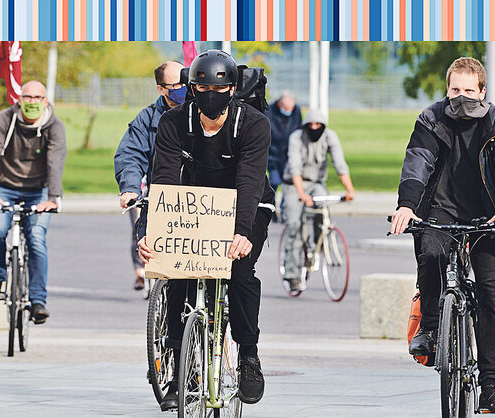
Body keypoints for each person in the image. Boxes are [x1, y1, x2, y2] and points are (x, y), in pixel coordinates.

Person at [389, 57, 495, 413]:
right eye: (455, 90)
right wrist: (407, 205)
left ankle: (491, 387)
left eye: (469, 90)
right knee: (433, 253)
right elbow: (417, 160)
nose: (461, 96)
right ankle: (432, 328)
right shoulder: (431, 118)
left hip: (492, 214)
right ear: (446, 89)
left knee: (490, 294)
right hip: (442, 207)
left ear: (483, 91)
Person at [136, 50, 273, 411]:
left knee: (240, 270)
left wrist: (242, 231)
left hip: (248, 203)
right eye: (201, 87)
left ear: (233, 89)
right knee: (177, 270)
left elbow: (249, 180)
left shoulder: (253, 123)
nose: (211, 94)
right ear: (191, 89)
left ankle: (248, 356)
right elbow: (163, 176)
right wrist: (150, 230)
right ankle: (181, 363)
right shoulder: (173, 122)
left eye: (220, 87)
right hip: (195, 205)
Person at [0, 80, 67, 325]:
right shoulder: (4, 120)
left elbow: (55, 162)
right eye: (27, 97)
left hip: (39, 191)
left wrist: (52, 198)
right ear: (19, 99)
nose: (32, 102)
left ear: (45, 101)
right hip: (4, 187)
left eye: (37, 97)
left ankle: (38, 301)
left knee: (37, 239)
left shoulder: (54, 127)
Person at [114, 60, 185, 291]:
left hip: (200, 200)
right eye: (176, 84)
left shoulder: (203, 111)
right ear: (161, 89)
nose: (183, 88)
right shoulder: (148, 118)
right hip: (163, 201)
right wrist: (130, 188)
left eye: (185, 81)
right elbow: (130, 155)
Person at [281, 109, 355, 292]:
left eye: (318, 125)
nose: (314, 128)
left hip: (316, 184)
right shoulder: (296, 137)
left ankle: (316, 244)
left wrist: (349, 190)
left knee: (323, 210)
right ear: (305, 126)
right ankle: (291, 274)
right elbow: (295, 166)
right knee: (294, 226)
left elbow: (339, 163)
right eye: (311, 125)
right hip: (293, 184)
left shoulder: (330, 137)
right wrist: (301, 194)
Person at [266, 90, 303, 218]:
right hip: (273, 154)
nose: (289, 110)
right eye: (286, 108)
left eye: (291, 108)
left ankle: (284, 209)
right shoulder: (269, 111)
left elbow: (298, 128)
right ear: (280, 104)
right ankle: (271, 207)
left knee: (288, 183)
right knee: (274, 181)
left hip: (289, 154)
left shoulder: (296, 111)